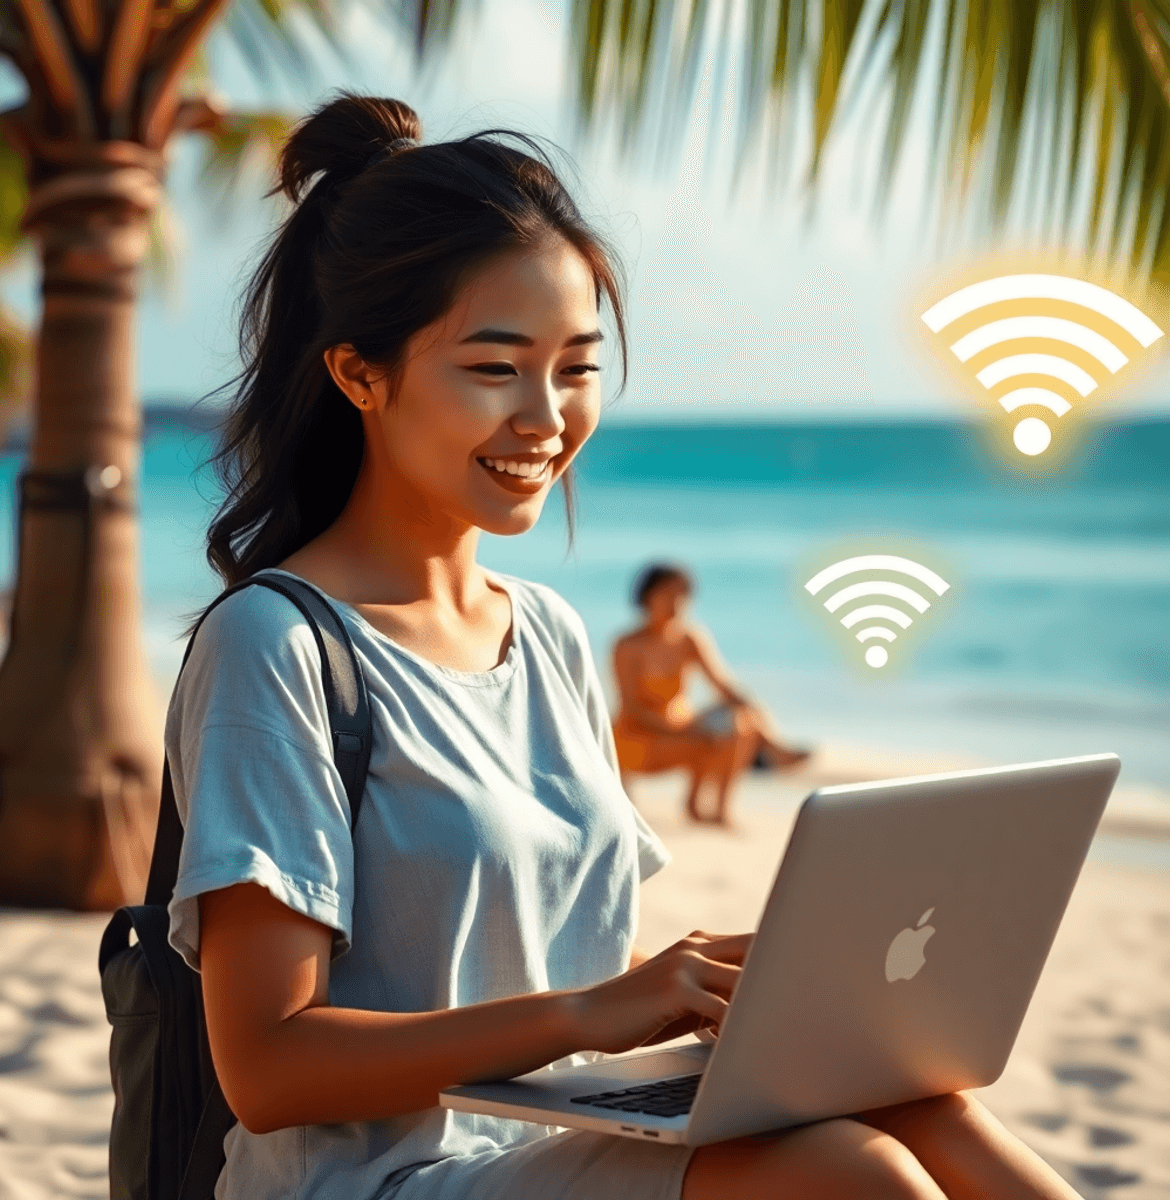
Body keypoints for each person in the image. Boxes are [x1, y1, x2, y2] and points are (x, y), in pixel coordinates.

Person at [165, 92, 1087, 1200]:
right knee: (856, 1175)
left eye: (578, 365)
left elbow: (580, 987)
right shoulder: (278, 644)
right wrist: (589, 1014)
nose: (546, 416)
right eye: (496, 367)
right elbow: (266, 1067)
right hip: (377, 1180)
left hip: (550, 1141)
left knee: (917, 1093)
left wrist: (709, 992)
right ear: (361, 374)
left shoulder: (546, 634)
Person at [611, 563, 810, 826]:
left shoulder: (690, 638)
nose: (676, 603)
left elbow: (725, 686)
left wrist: (759, 718)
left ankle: (716, 807)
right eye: (668, 594)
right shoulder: (628, 645)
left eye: (682, 595)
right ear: (648, 597)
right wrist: (687, 732)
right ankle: (772, 753)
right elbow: (633, 709)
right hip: (640, 738)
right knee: (713, 732)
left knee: (742, 720)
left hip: (682, 726)